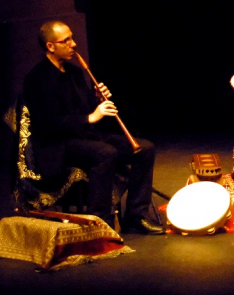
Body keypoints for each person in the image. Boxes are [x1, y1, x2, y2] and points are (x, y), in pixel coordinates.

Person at [22, 21, 164, 234]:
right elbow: (49, 124)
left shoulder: (75, 72)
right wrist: (91, 117)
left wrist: (97, 100)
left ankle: (137, 215)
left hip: (84, 137)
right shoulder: (37, 79)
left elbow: (86, 110)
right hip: (56, 146)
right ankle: (101, 222)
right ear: (50, 46)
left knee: (144, 149)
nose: (74, 44)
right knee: (105, 153)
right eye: (66, 40)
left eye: (72, 38)